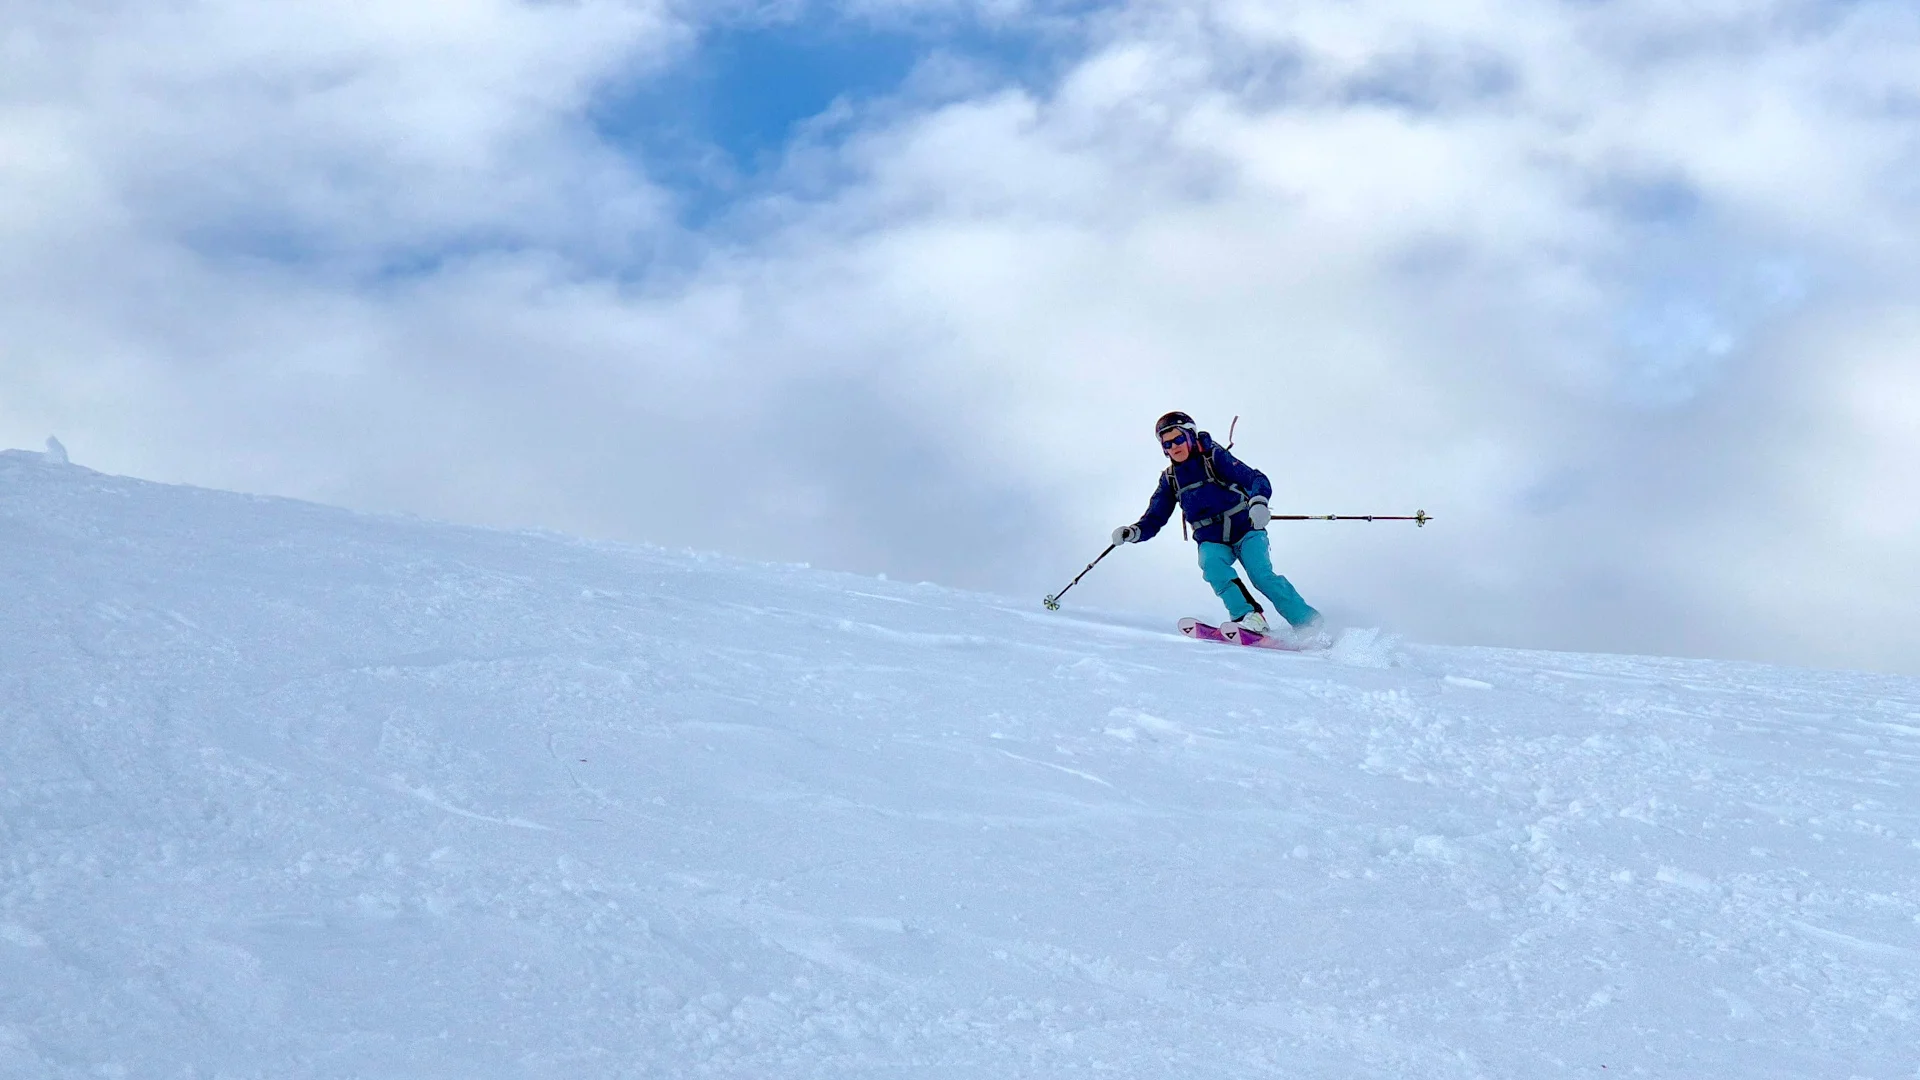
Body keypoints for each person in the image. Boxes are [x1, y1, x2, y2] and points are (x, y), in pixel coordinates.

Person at [1112, 411, 1322, 637]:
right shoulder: (1170, 479)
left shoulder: (1214, 457)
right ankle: (1248, 617)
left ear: (1190, 436)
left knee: (1261, 576)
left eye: (1178, 439)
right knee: (1212, 567)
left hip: (1246, 529)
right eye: (1167, 444)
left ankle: (1308, 622)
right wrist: (1134, 532)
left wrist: (1259, 502)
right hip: (1212, 539)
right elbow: (1155, 517)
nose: (1174, 447)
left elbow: (1255, 479)